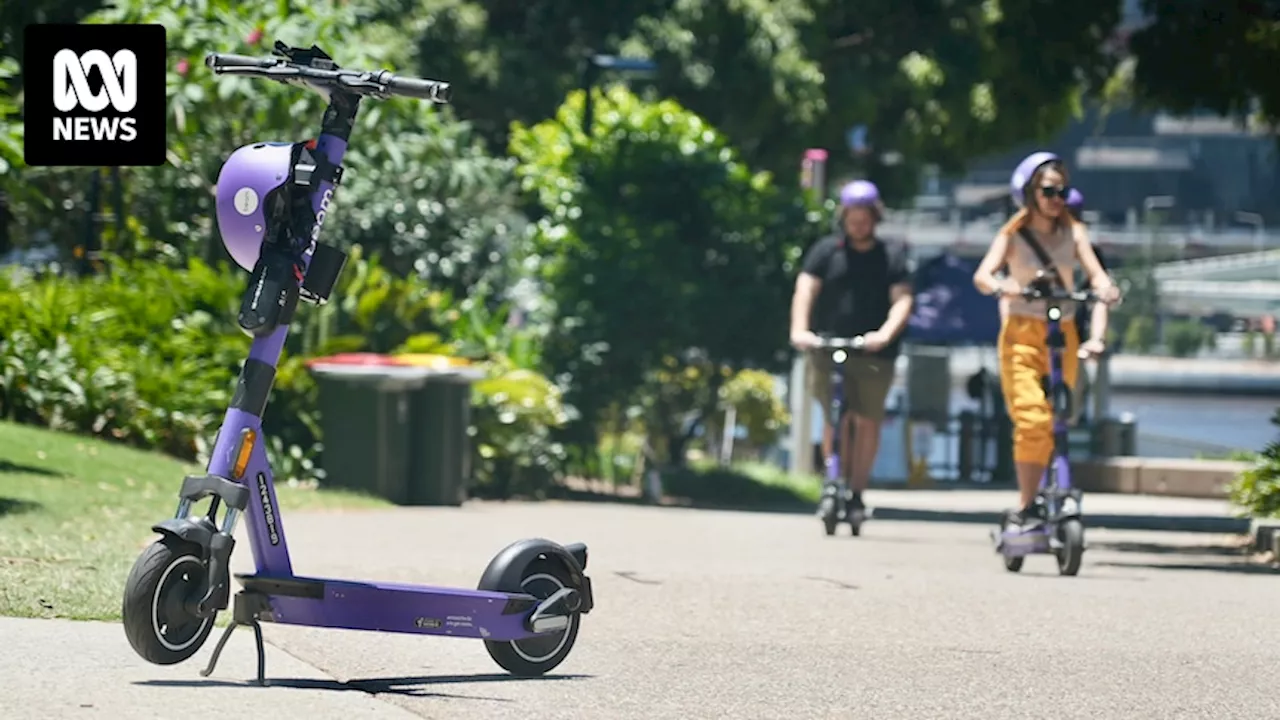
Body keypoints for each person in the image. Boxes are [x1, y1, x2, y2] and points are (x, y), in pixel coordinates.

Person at [971, 153, 1121, 530]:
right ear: (1029, 192)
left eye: (1062, 191)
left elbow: (1095, 273)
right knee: (1031, 418)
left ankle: (1054, 488)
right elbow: (983, 275)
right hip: (1022, 330)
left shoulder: (1075, 232)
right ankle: (1027, 503)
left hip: (1063, 333)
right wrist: (1002, 285)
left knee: (1059, 418)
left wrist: (1105, 289)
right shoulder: (1013, 234)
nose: (1057, 199)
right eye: (1049, 191)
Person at [789, 180, 915, 514]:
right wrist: (800, 330)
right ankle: (832, 479)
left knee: (866, 420)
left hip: (873, 351)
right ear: (843, 218)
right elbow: (805, 290)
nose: (858, 225)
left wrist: (885, 334)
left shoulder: (892, 255)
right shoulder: (825, 251)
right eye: (852, 218)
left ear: (875, 218)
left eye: (865, 218)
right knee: (836, 416)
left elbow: (902, 300)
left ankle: (857, 492)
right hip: (828, 346)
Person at [1065, 188, 1111, 424]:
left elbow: (1100, 298)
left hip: (1073, 342)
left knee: (1070, 411)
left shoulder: (1089, 254)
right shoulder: (1032, 247)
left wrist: (1097, 339)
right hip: (1035, 336)